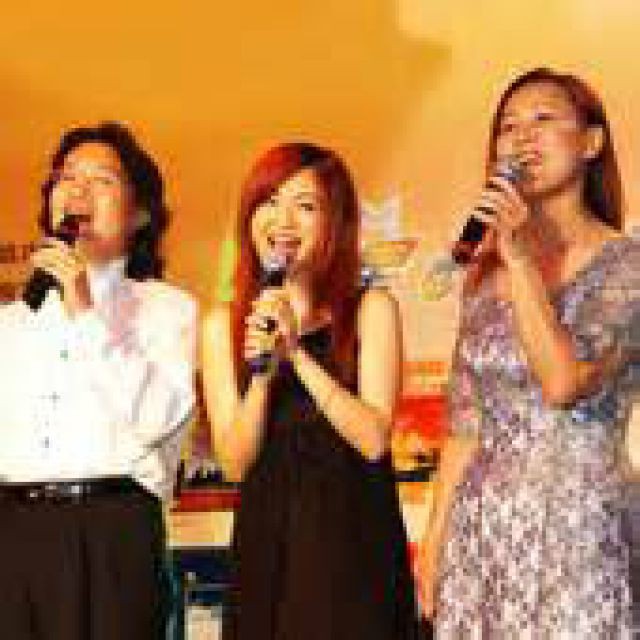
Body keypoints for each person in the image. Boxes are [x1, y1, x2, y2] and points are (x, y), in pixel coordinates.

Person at [417, 67, 639, 638]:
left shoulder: (627, 267)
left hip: (580, 528)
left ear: (592, 142)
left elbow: (564, 383)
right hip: (483, 531)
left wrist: (517, 259)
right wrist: (435, 540)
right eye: (509, 126)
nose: (523, 137)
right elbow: (465, 425)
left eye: (544, 119)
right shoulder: (482, 277)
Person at [203, 142, 421, 639]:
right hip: (269, 546)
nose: (282, 220)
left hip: (352, 545)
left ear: (334, 223)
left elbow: (373, 439)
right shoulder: (222, 326)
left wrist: (297, 354)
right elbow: (234, 462)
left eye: (305, 205)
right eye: (269, 201)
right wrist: (263, 374)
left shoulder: (371, 310)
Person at [0, 121, 197, 639]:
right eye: (67, 178)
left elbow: (154, 418)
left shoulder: (165, 309)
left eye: (101, 179)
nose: (78, 190)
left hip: (113, 531)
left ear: (140, 213)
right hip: (14, 533)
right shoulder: (11, 323)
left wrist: (85, 310)